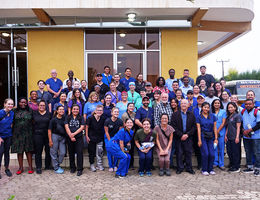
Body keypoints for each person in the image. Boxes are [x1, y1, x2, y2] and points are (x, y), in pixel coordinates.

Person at [171, 99, 196, 175]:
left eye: (185, 103)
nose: (184, 105)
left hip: (188, 136)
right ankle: (180, 168)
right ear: (180, 105)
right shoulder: (175, 114)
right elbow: (173, 126)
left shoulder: (191, 114)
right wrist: (181, 135)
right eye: (182, 103)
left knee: (188, 152)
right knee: (179, 153)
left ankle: (189, 168)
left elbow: (194, 127)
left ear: (188, 105)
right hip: (179, 137)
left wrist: (187, 134)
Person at [12, 97, 34, 175]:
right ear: (18, 103)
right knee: (19, 152)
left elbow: (33, 122)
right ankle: (20, 168)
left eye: (25, 102)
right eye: (21, 102)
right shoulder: (14, 111)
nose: (23, 104)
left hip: (28, 134)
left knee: (28, 151)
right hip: (17, 135)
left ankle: (30, 167)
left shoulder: (30, 111)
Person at [196, 102, 218, 175]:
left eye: (208, 107)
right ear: (202, 108)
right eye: (205, 107)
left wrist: (216, 138)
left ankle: (210, 169)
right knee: (205, 153)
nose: (206, 109)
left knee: (212, 154)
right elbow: (198, 129)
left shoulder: (213, 116)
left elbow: (215, 128)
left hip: (211, 136)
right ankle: (204, 169)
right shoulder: (199, 117)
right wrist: (199, 140)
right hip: (203, 136)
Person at [65, 104, 85, 176]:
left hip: (79, 137)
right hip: (70, 138)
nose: (75, 110)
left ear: (79, 110)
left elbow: (82, 127)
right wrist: (70, 135)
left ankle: (80, 169)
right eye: (74, 109)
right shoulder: (68, 117)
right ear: (71, 109)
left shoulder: (81, 117)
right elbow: (66, 126)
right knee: (71, 153)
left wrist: (74, 134)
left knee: (79, 153)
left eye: (77, 109)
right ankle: (72, 167)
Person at [241, 99, 260, 176]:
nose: (248, 105)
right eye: (246, 104)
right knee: (248, 152)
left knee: (256, 152)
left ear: (253, 104)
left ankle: (258, 168)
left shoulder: (257, 112)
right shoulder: (243, 112)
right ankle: (250, 167)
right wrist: (243, 131)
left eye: (249, 104)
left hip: (256, 136)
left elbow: (259, 124)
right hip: (246, 137)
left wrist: (249, 130)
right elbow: (241, 123)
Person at [32, 100, 52, 174]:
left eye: (43, 105)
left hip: (47, 135)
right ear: (38, 106)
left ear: (45, 106)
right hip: (37, 135)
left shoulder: (49, 114)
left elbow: (51, 125)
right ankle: (38, 167)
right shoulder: (34, 114)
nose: (42, 107)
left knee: (48, 151)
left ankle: (47, 165)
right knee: (38, 151)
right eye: (40, 105)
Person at [86, 105, 106, 172]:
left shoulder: (103, 118)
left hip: (100, 137)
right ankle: (92, 164)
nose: (99, 112)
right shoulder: (90, 118)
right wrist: (86, 136)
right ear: (95, 111)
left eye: (100, 110)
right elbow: (86, 127)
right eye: (98, 110)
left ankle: (99, 164)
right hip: (91, 137)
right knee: (91, 151)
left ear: (102, 111)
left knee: (100, 151)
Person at [48, 105, 67, 174]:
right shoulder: (53, 120)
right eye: (60, 109)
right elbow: (49, 130)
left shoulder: (65, 118)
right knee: (54, 152)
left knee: (62, 152)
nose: (62, 111)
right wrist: (50, 140)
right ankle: (56, 168)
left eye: (63, 109)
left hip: (62, 137)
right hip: (54, 136)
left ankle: (57, 164)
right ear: (57, 111)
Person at [104, 107, 123, 172]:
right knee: (109, 151)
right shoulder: (107, 121)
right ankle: (111, 166)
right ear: (111, 113)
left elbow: (120, 132)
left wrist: (115, 140)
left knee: (116, 150)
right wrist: (110, 141)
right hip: (108, 137)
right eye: (115, 112)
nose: (116, 113)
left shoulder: (120, 121)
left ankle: (115, 165)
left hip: (116, 137)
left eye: (117, 112)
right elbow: (106, 132)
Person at [225, 102, 241, 172]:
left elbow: (238, 127)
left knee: (235, 152)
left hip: (235, 137)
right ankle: (232, 164)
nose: (230, 109)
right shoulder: (229, 116)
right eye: (229, 107)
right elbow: (228, 127)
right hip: (229, 137)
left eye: (231, 107)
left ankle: (236, 166)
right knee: (229, 152)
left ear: (235, 108)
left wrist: (237, 137)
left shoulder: (237, 116)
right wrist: (225, 135)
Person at [0, 99, 14, 179]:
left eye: (11, 104)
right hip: (1, 137)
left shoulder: (12, 113)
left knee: (7, 153)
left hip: (8, 136)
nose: (10, 106)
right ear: (5, 104)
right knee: (0, 153)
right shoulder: (1, 113)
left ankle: (6, 169)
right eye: (8, 104)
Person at [211, 99, 226, 170]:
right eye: (215, 103)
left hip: (221, 132)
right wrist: (214, 132)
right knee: (214, 148)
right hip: (212, 133)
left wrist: (217, 131)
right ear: (213, 104)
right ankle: (215, 162)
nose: (217, 104)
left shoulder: (223, 111)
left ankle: (221, 164)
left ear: (220, 104)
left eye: (218, 103)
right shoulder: (211, 112)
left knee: (221, 148)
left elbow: (223, 123)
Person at [122, 103, 137, 169]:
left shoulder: (134, 114)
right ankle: (126, 164)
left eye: (132, 106)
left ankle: (131, 164)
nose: (131, 107)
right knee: (127, 149)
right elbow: (123, 125)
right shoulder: (124, 115)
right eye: (130, 106)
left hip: (133, 133)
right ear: (127, 107)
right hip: (126, 133)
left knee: (132, 149)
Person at [192, 94, 205, 169]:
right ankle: (199, 164)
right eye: (198, 99)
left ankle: (204, 163)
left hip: (204, 131)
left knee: (204, 148)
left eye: (201, 99)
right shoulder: (194, 109)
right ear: (196, 100)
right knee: (197, 148)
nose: (200, 100)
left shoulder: (207, 109)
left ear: (204, 100)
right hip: (196, 131)